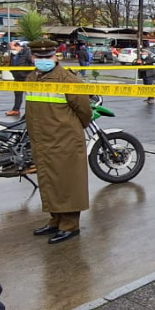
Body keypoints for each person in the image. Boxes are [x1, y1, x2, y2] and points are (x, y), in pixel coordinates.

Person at [25, 39, 93, 244]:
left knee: (67, 182)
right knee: (49, 181)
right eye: (39, 57)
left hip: (65, 139)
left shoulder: (68, 80)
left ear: (55, 56)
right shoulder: (32, 78)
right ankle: (55, 220)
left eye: (48, 56)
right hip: (41, 139)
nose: (43, 60)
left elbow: (85, 112)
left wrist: (69, 129)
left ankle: (69, 225)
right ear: (33, 58)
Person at [6, 41, 32, 116]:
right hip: (17, 77)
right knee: (17, 94)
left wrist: (28, 74)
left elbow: (32, 63)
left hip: (26, 77)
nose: (12, 50)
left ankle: (31, 111)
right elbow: (11, 64)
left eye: (13, 48)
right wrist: (12, 71)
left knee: (30, 95)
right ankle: (16, 110)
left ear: (18, 46)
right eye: (11, 49)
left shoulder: (27, 53)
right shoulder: (13, 54)